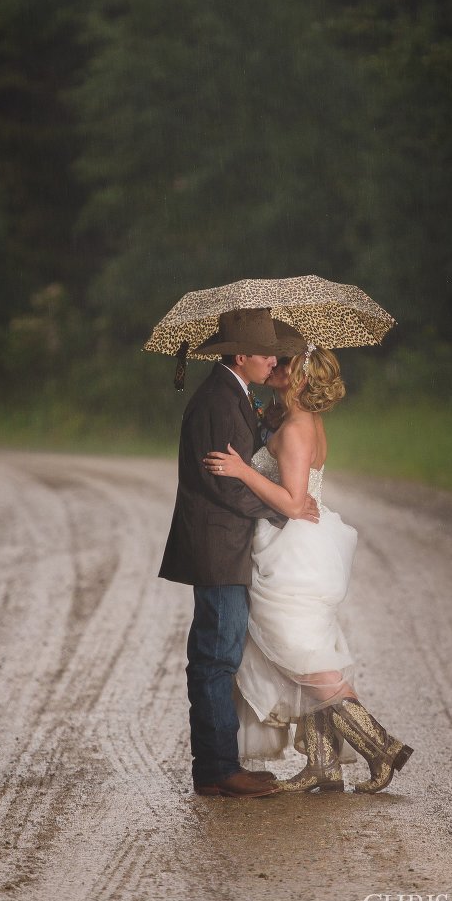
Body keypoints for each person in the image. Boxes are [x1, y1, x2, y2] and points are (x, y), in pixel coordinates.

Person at [203, 345, 413, 793]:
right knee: (301, 653)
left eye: (286, 364)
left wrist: (243, 470)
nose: (275, 364)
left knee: (303, 657)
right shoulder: (295, 420)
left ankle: (382, 748)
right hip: (295, 546)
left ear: (299, 379)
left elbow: (295, 503)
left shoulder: (298, 427)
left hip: (293, 549)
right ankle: (323, 765)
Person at [158, 307, 317, 798]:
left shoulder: (234, 395)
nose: (274, 360)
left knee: (218, 653)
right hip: (218, 545)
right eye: (266, 352)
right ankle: (216, 769)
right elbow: (222, 485)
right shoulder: (218, 401)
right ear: (241, 355)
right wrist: (282, 512)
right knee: (214, 657)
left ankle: (219, 765)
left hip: (226, 544)